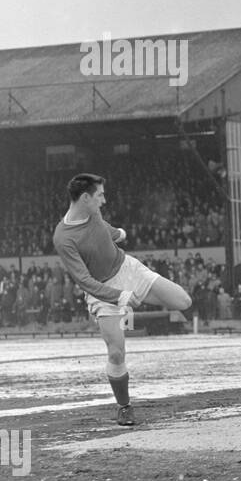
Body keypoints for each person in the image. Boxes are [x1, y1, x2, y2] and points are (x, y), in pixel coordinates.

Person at [53, 174, 192, 427]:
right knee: (116, 354)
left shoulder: (93, 213)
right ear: (85, 198)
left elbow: (101, 226)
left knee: (183, 301)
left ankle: (136, 301)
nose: (104, 200)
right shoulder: (63, 238)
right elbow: (84, 281)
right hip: (102, 292)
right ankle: (124, 406)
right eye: (100, 195)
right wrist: (120, 297)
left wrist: (118, 233)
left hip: (128, 269)